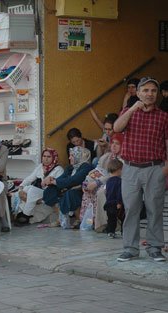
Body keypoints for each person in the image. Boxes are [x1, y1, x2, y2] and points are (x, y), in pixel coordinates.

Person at [113, 77, 168, 262]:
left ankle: (155, 248)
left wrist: (165, 169)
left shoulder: (163, 116)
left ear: (157, 94)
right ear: (137, 93)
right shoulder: (128, 112)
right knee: (131, 209)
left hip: (154, 168)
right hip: (130, 168)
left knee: (155, 209)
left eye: (153, 90)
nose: (149, 94)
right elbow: (116, 128)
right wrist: (132, 109)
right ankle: (130, 248)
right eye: (145, 90)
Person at [80, 133, 123, 231]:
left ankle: (109, 223)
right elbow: (97, 171)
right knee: (88, 191)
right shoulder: (106, 157)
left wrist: (97, 183)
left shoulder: (124, 158)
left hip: (118, 184)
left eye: (118, 144)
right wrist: (87, 182)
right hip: (104, 183)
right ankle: (93, 222)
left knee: (102, 192)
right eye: (112, 143)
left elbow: (114, 175)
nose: (114, 146)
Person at [42, 146, 92, 229]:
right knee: (50, 191)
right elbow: (62, 179)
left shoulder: (86, 167)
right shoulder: (70, 167)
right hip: (69, 188)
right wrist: (51, 180)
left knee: (71, 194)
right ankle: (60, 218)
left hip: (82, 191)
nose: (69, 158)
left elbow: (74, 180)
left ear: (79, 156)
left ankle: (79, 219)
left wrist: (55, 181)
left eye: (72, 155)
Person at [12, 148, 64, 225]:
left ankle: (26, 215)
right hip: (41, 192)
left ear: (54, 158)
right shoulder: (40, 167)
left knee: (32, 190)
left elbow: (58, 186)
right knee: (26, 189)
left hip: (50, 194)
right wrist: (21, 188)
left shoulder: (59, 170)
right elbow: (29, 179)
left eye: (49, 157)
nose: (46, 159)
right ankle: (20, 213)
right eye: (44, 156)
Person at [104, 159, 124, 239]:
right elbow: (120, 192)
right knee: (123, 217)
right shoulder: (120, 181)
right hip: (116, 203)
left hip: (109, 203)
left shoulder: (108, 181)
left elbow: (106, 192)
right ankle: (124, 232)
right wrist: (119, 202)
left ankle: (110, 232)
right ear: (119, 169)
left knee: (111, 219)